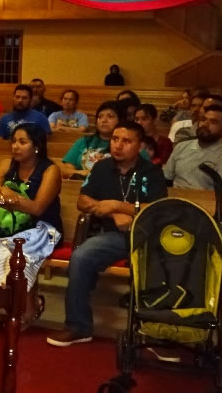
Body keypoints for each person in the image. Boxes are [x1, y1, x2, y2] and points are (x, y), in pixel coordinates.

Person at [47, 121, 168, 347]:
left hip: (146, 236)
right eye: (115, 139)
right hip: (113, 236)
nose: (118, 145)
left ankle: (157, 333)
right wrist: (113, 213)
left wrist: (117, 205)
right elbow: (83, 201)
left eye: (126, 141)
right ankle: (78, 327)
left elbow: (157, 209)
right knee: (81, 256)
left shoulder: (151, 172)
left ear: (139, 145)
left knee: (164, 261)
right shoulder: (102, 167)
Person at [0, 122, 63, 323]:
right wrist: (5, 196)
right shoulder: (6, 164)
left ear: (36, 146)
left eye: (22, 142)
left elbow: (37, 208)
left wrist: (9, 198)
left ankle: (27, 309)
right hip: (5, 225)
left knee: (20, 255)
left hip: (40, 227)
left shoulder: (50, 170)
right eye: (13, 141)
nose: (15, 146)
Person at [164, 105, 222, 190]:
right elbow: (166, 179)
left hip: (206, 197)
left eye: (213, 122)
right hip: (175, 195)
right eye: (203, 119)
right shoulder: (181, 146)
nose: (205, 124)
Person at [60, 101, 121, 179]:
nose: (103, 120)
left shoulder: (121, 144)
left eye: (110, 116)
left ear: (120, 120)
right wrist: (84, 173)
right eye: (100, 116)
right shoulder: (84, 141)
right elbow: (65, 171)